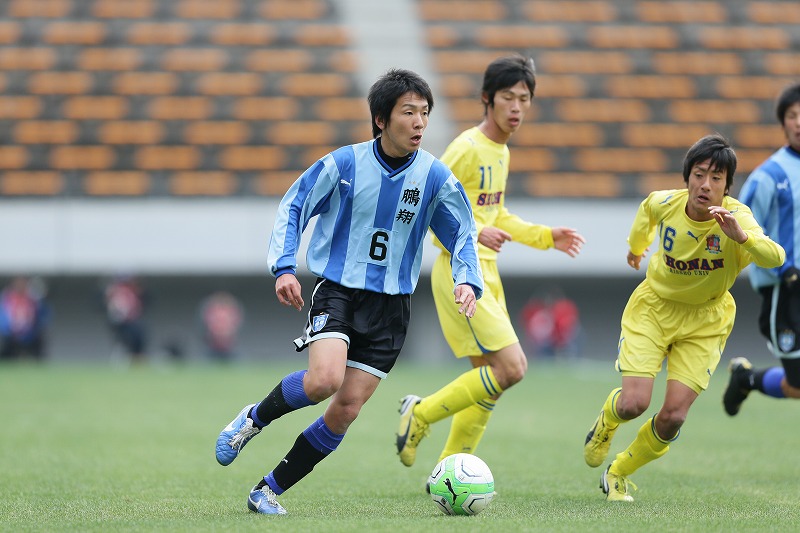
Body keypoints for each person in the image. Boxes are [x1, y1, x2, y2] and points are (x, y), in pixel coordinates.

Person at [214, 68, 484, 516]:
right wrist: (284, 267)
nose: (419, 122)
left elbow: (462, 233)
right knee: (323, 381)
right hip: (338, 290)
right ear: (381, 119)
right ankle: (252, 420)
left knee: (346, 409)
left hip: (392, 305)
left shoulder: (435, 177)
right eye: (408, 113)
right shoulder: (343, 165)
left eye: (424, 113)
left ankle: (267, 490)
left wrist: (466, 279)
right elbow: (295, 203)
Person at [394, 54, 585, 471]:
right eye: (508, 97)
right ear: (487, 98)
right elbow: (423, 207)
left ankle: (448, 469)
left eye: (524, 99)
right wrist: (473, 233)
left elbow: (494, 213)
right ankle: (420, 413)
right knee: (513, 367)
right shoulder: (466, 148)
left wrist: (544, 237)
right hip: (461, 273)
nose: (516, 107)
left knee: (490, 381)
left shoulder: (501, 152)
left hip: (487, 272)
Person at [582, 133, 785, 502]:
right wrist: (636, 247)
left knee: (674, 416)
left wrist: (742, 238)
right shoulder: (665, 203)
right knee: (634, 404)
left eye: (716, 178)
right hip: (654, 308)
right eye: (699, 174)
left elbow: (776, 257)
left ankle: (619, 473)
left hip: (706, 320)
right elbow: (646, 212)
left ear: (727, 186)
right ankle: (608, 422)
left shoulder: (737, 218)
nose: (705, 185)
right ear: (687, 177)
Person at [723, 82, 800, 415]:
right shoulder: (770, 174)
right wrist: (784, 268)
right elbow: (744, 225)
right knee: (797, 384)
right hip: (787, 289)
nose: (799, 122)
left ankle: (746, 380)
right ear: (783, 123)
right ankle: (747, 380)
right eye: (792, 115)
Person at [0, 276, 50, 361]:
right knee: (5, 342)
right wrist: (9, 330)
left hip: (30, 333)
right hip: (12, 334)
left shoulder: (33, 298)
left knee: (41, 339)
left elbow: (43, 314)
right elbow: (3, 318)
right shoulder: (7, 298)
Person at [102, 274, 148, 363]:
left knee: (138, 338)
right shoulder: (114, 292)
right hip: (121, 322)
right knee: (126, 339)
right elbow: (113, 308)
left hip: (132, 321)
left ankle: (137, 358)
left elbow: (136, 307)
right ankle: (125, 357)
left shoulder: (131, 292)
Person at [199, 290, 243, 362]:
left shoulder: (249, 362)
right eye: (217, 319)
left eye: (225, 319)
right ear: (206, 320)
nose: (221, 326)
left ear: (237, 320)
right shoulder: (194, 361)